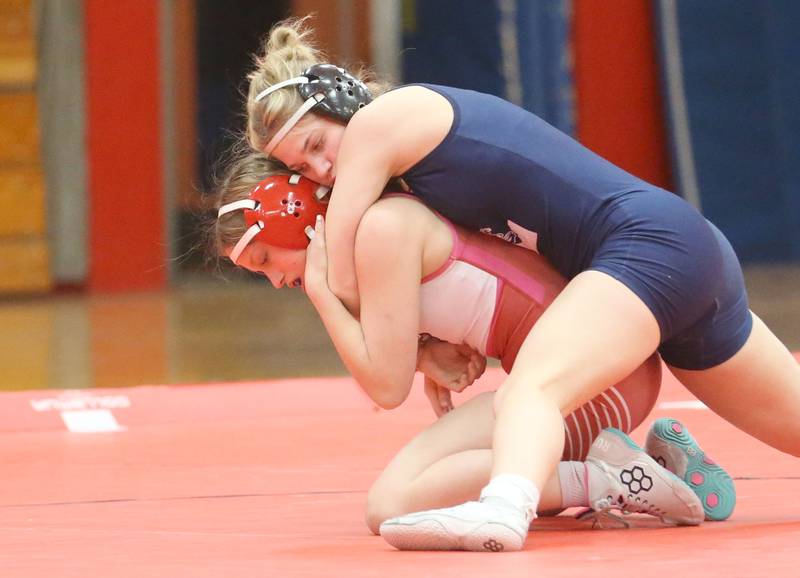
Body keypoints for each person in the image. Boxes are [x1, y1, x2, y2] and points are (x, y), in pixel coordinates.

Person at [242, 18, 800, 551]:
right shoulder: (409, 165)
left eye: (316, 146)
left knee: (529, 392)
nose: (322, 174)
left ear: (342, 105)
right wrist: (427, 344)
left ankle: (505, 506)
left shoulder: (377, 124)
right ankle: (609, 476)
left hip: (646, 247)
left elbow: (342, 273)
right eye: (303, 169)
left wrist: (326, 275)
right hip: (676, 250)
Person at [209, 157, 737, 544]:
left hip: (585, 391)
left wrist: (324, 297)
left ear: (292, 215)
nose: (276, 281)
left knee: (390, 504)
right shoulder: (390, 220)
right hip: (598, 380)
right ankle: (642, 464)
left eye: (264, 260)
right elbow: (484, 298)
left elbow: (386, 388)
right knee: (424, 486)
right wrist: (429, 350)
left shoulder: (384, 230)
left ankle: (618, 478)